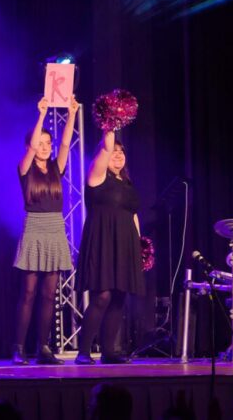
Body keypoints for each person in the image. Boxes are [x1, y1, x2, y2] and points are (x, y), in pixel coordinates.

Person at [12, 96, 78, 365]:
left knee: (50, 293)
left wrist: (71, 113)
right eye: (41, 142)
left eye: (47, 143)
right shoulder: (25, 168)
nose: (46, 146)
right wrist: (41, 114)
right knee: (28, 292)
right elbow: (30, 149)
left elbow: (65, 143)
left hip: (54, 228)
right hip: (34, 227)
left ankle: (43, 347)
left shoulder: (55, 168)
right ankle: (18, 347)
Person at [75, 130, 145, 364]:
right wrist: (111, 124)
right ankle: (83, 352)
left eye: (121, 152)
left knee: (118, 295)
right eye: (114, 151)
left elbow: (133, 215)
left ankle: (109, 351)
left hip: (125, 244)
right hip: (103, 241)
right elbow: (106, 147)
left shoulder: (126, 183)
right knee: (102, 296)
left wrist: (139, 244)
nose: (118, 155)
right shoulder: (97, 177)